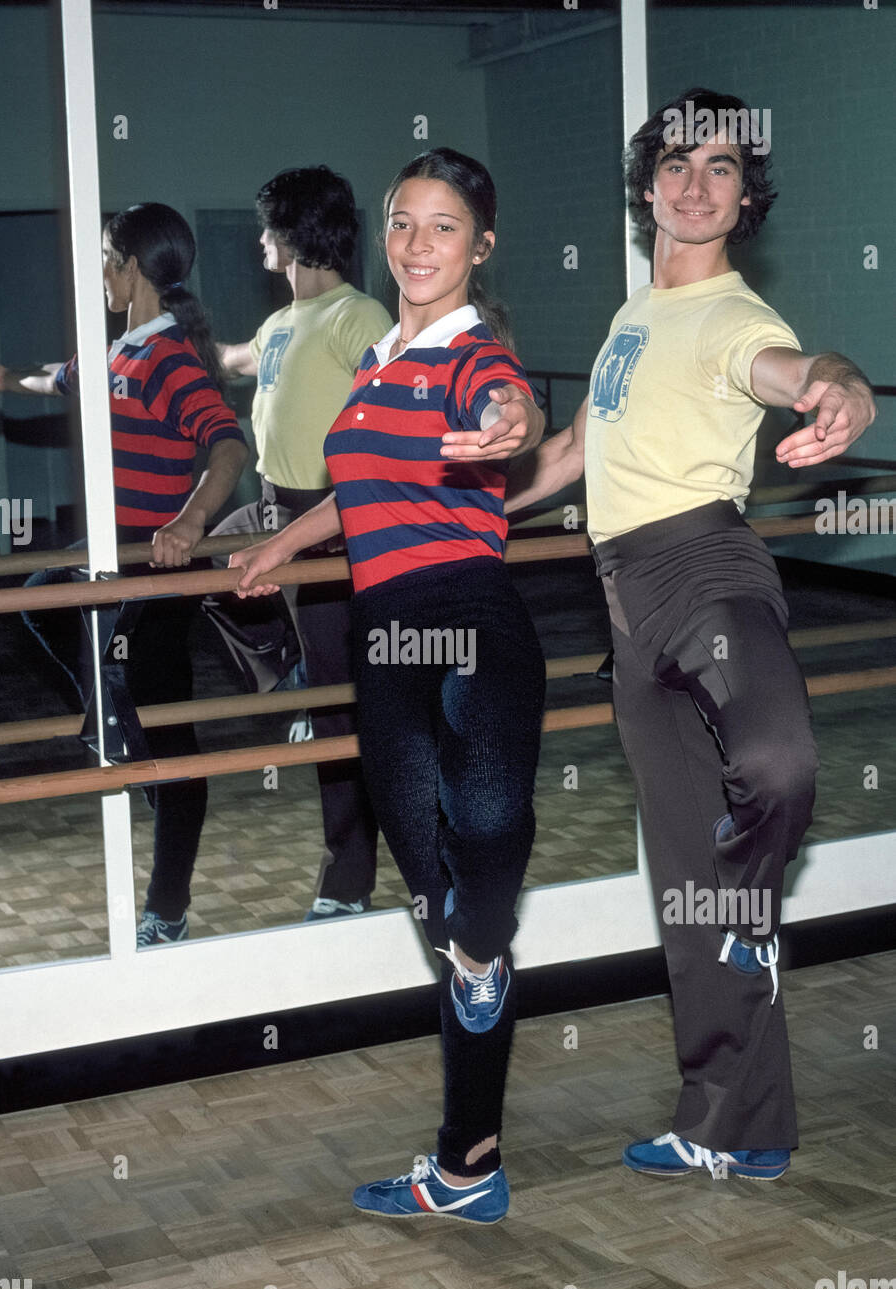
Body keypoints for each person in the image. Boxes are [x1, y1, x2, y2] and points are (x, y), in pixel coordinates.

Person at [503, 88, 876, 1180]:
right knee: (684, 883)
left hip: (704, 572)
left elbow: (797, 374)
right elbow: (572, 451)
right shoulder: (630, 317)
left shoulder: (732, 317)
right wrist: (468, 510)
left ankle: (743, 897)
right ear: (646, 186)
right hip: (619, 602)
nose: (693, 182)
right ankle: (733, 1127)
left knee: (775, 763)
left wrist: (838, 392)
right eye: (674, 162)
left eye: (719, 168)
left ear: (743, 197)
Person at [230, 148, 547, 1222]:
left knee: (492, 824)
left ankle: (477, 945)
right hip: (379, 630)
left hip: (465, 612)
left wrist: (513, 424)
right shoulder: (373, 360)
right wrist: (284, 548)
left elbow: (507, 407)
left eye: (443, 225)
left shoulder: (471, 353)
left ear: (480, 244)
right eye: (402, 223)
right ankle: (467, 1169)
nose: (416, 243)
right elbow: (353, 490)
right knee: (433, 874)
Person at [0, 203, 249, 947]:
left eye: (106, 258)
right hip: (109, 554)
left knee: (170, 738)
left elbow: (228, 447)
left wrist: (188, 521)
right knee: (39, 602)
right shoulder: (118, 352)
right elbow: (62, 380)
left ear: (133, 269)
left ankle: (167, 907)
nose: (100, 272)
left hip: (155, 566)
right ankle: (111, 714)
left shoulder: (171, 358)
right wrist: (2, 377)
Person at [209, 166, 392, 923]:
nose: (258, 242)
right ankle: (280, 675)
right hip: (271, 508)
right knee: (205, 572)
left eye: (265, 230)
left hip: (331, 524)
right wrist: (188, 342)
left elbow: (398, 384)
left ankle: (346, 878)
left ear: (291, 237)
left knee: (339, 713)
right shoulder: (281, 324)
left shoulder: (357, 315)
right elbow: (237, 360)